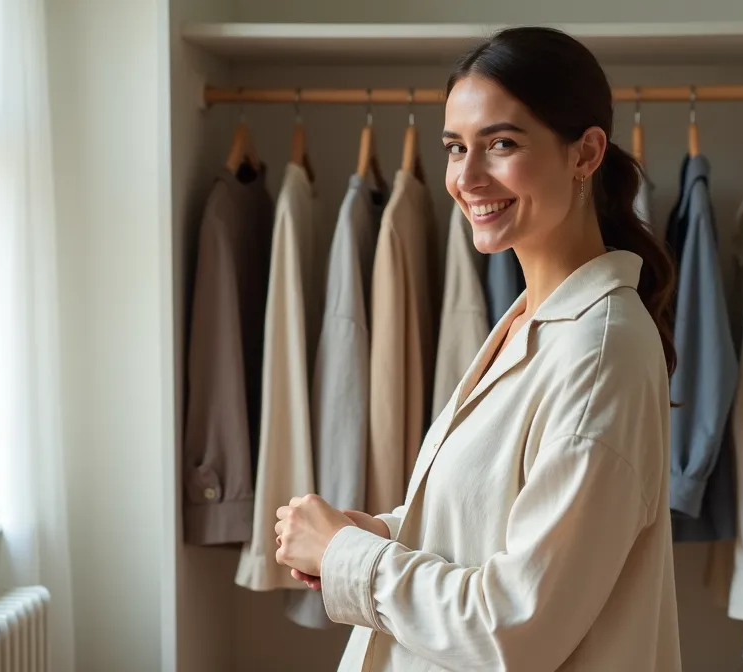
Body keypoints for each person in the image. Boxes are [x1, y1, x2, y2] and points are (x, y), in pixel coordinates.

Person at [273, 25, 683, 672]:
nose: (466, 176)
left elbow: (514, 627)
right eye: (455, 147)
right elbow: (498, 510)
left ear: (585, 154)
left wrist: (347, 558)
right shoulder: (529, 321)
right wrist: (384, 531)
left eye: (501, 144)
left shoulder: (599, 352)